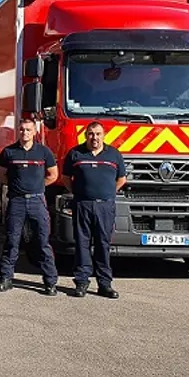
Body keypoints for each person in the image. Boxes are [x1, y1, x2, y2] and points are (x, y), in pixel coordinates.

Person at [60, 121, 127, 298]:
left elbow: (121, 179)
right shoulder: (75, 153)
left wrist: (108, 193)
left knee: (103, 245)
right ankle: (81, 282)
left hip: (105, 206)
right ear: (85, 135)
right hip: (83, 205)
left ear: (103, 135)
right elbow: (66, 178)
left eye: (98, 134)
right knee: (82, 244)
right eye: (90, 134)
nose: (94, 137)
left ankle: (104, 284)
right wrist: (79, 193)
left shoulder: (113, 154)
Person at [0, 118, 60, 296]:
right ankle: (6, 278)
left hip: (37, 201)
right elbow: (2, 176)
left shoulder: (43, 152)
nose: (25, 133)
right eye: (22, 130)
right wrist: (18, 187)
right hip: (16, 201)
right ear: (19, 131)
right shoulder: (9, 152)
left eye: (28, 130)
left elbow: (53, 175)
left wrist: (38, 186)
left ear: (34, 132)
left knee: (42, 242)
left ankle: (50, 282)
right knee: (12, 241)